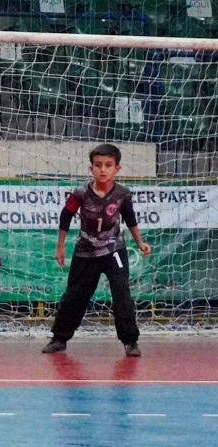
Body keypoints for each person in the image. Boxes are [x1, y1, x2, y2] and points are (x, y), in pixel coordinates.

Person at [42, 144, 151, 357]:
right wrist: (60, 247)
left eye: (108, 165)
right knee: (75, 295)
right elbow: (65, 216)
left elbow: (130, 218)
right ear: (91, 168)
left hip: (114, 250)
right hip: (86, 251)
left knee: (122, 294)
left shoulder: (122, 194)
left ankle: (130, 341)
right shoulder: (81, 193)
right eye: (98, 165)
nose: (103, 169)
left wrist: (140, 242)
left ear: (116, 169)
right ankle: (59, 338)